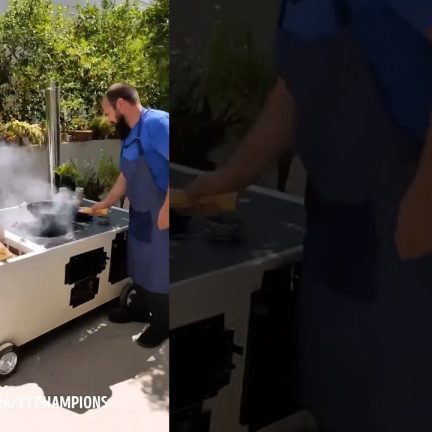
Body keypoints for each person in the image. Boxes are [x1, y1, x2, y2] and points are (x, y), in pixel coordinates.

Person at [182, 0, 432, 430]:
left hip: (408, 229)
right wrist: (231, 175)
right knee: (334, 387)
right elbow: (292, 93)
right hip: (336, 225)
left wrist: (427, 198)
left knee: (399, 397)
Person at [91, 83, 170, 348]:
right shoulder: (129, 135)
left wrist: (168, 209)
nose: (108, 118)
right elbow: (126, 176)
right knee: (138, 264)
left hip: (160, 212)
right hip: (139, 212)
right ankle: (140, 309)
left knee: (158, 272)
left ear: (121, 105)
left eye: (108, 112)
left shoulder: (158, 124)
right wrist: (104, 203)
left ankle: (162, 325)